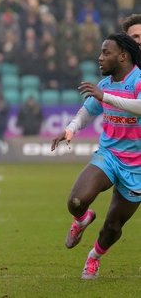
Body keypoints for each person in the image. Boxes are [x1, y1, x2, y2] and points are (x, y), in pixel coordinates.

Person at [51, 33, 141, 280]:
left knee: (113, 227)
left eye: (106, 53)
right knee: (76, 201)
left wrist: (106, 97)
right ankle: (81, 220)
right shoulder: (105, 85)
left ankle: (94, 257)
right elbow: (87, 111)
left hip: (137, 167)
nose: (100, 58)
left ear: (123, 56)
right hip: (109, 155)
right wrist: (70, 129)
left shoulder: (138, 81)